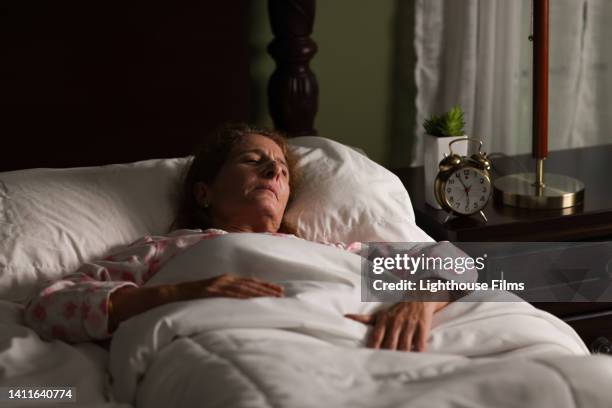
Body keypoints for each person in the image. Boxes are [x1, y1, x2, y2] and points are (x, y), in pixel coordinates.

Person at [24, 123, 449, 351]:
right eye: (254, 161)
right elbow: (48, 308)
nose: (274, 172)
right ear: (203, 192)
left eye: (282, 171)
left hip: (353, 345)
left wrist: (418, 304)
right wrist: (185, 291)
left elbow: (476, 266)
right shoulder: (167, 249)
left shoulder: (326, 250)